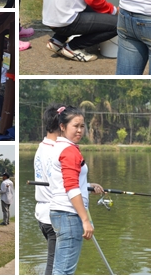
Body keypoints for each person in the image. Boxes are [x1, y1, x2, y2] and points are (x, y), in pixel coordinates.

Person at [49, 106, 104, 275]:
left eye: (82, 126)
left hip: (60, 212)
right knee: (64, 272)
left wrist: (86, 186)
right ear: (63, 126)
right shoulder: (69, 151)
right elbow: (71, 188)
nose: (80, 130)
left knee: (60, 269)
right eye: (76, 126)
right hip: (69, 215)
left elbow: (66, 181)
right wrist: (85, 220)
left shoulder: (58, 147)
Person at [34, 104, 61, 275]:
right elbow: (64, 185)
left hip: (42, 215)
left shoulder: (42, 146)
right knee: (54, 265)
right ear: (62, 125)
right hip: (55, 216)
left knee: (54, 262)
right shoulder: (57, 150)